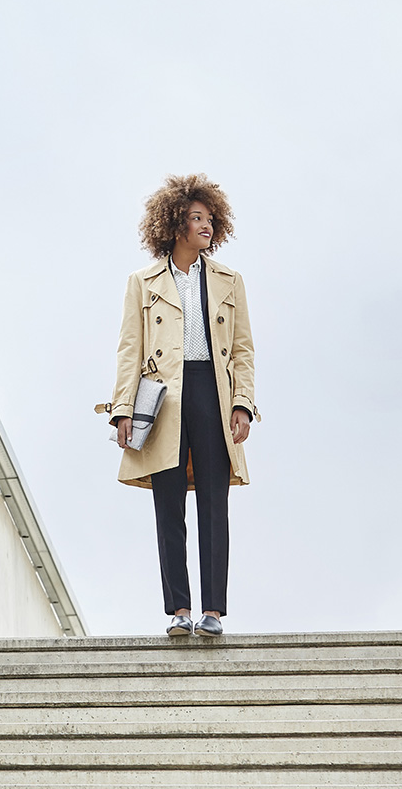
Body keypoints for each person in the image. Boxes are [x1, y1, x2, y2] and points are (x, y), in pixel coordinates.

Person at [103, 174, 257, 638]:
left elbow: (244, 348)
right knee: (167, 503)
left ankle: (212, 610)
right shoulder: (142, 282)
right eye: (195, 218)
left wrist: (243, 404)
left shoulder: (230, 280)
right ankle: (179, 611)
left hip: (213, 391)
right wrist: (123, 408)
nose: (205, 226)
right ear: (174, 225)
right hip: (163, 397)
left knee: (215, 502)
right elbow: (129, 348)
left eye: (209, 219)